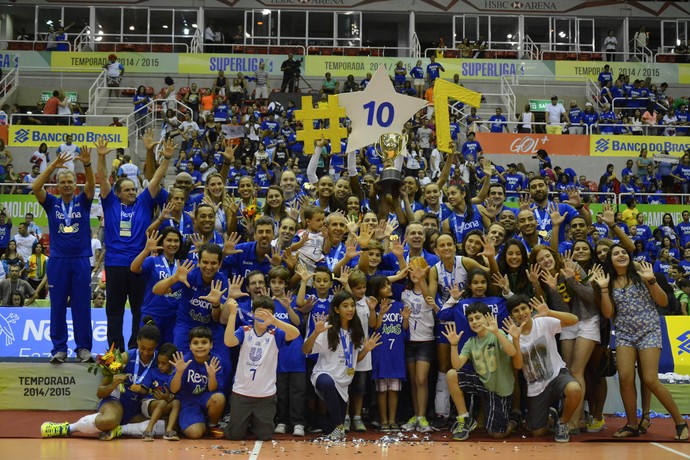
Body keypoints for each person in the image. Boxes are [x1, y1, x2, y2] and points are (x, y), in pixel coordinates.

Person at [592, 248, 689, 440]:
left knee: (650, 379)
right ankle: (632, 424)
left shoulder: (642, 275)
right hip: (625, 334)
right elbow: (608, 313)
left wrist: (651, 280)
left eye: (624, 253)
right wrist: (603, 288)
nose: (621, 255)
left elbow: (662, 302)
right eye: (616, 253)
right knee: (626, 377)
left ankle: (680, 422)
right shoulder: (608, 282)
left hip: (649, 331)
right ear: (610, 260)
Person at [98, 136, 174, 351]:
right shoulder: (110, 203)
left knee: (139, 310)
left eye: (134, 189)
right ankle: (115, 352)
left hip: (139, 265)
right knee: (114, 311)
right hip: (114, 264)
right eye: (128, 189)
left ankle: (135, 350)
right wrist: (102, 157)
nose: (133, 192)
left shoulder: (143, 202)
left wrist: (166, 159)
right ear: (118, 193)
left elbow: (156, 179)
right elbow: (103, 179)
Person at [41, 320, 163, 440]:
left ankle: (119, 430)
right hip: (117, 402)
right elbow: (100, 392)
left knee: (169, 424)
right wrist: (113, 384)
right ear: (137, 341)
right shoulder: (125, 357)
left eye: (150, 349)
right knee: (109, 420)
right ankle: (68, 428)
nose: (146, 353)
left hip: (138, 409)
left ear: (156, 346)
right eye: (142, 348)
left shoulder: (160, 361)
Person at [31, 144, 96, 363]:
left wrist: (86, 164)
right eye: (62, 182)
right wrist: (52, 166)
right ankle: (59, 348)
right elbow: (35, 186)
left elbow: (92, 186)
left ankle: (83, 348)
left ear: (75, 185)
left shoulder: (83, 202)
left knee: (81, 306)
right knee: (57, 306)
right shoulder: (51, 203)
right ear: (57, 186)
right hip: (58, 261)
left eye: (70, 182)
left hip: (80, 260)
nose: (66, 185)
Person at [302, 291, 382, 441]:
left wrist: (366, 349)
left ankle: (333, 427)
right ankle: (339, 426)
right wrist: (315, 333)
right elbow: (305, 350)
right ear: (337, 309)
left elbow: (355, 359)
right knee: (327, 383)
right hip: (324, 375)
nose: (350, 309)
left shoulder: (356, 330)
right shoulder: (328, 327)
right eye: (345, 306)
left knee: (330, 426)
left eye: (352, 305)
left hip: (344, 381)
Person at [223, 295, 300, 440]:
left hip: (265, 396)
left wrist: (275, 321)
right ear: (252, 313)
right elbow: (229, 341)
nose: (263, 316)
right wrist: (232, 314)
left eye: (267, 313)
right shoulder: (244, 330)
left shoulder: (275, 334)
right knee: (234, 436)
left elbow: (295, 333)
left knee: (265, 436)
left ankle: (254, 423)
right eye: (259, 312)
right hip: (241, 393)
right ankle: (238, 423)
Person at [507, 294, 582, 443]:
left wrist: (550, 312)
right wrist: (515, 339)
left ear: (530, 309)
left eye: (524, 308)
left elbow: (574, 320)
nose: (521, 313)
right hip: (536, 386)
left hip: (557, 374)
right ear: (511, 315)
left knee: (574, 389)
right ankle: (551, 417)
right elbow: (518, 366)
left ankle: (562, 423)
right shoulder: (511, 336)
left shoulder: (542, 322)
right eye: (516, 311)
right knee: (538, 433)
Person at [443, 304, 522, 441]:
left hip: (499, 390)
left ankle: (514, 420)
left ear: (487, 318)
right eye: (471, 319)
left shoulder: (498, 335)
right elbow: (457, 365)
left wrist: (497, 332)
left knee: (497, 434)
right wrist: (454, 345)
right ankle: (464, 419)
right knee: (451, 375)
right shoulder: (471, 342)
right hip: (482, 384)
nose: (474, 322)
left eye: (478, 317)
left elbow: (512, 352)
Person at [169, 326, 226, 439]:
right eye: (195, 343)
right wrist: (179, 372)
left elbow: (212, 389)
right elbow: (173, 389)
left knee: (218, 398)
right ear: (190, 346)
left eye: (204, 342)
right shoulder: (184, 361)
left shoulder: (215, 360)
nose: (200, 346)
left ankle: (212, 425)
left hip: (205, 397)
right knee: (195, 433)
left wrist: (211, 376)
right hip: (188, 401)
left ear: (211, 345)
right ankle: (188, 421)